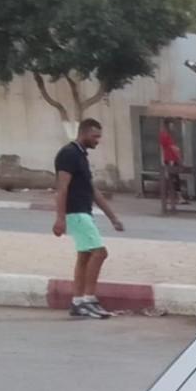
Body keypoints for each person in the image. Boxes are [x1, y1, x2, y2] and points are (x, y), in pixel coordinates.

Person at [52, 118, 125, 319]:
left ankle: (78, 301)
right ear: (83, 133)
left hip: (84, 211)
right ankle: (88, 299)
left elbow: (92, 190)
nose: (98, 140)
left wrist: (113, 218)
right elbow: (62, 187)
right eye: (95, 136)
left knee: (84, 256)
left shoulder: (80, 155)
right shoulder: (68, 154)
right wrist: (60, 218)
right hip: (75, 212)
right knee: (100, 253)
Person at [158, 119, 185, 213]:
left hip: (170, 158)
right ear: (167, 125)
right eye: (172, 125)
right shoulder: (166, 136)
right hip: (171, 159)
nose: (173, 127)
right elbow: (173, 148)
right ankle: (175, 197)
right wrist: (179, 158)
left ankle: (175, 197)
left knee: (173, 177)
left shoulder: (166, 136)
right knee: (173, 178)